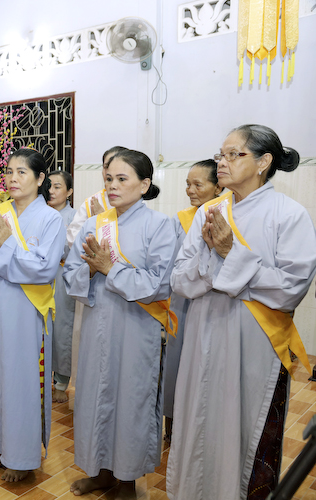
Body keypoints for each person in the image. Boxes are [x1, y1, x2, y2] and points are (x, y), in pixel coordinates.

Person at [166, 125, 316, 500]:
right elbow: (179, 280)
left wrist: (230, 255)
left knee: (246, 427)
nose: (222, 162)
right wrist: (211, 264)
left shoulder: (289, 214)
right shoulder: (209, 212)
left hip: (255, 344)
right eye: (221, 154)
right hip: (203, 333)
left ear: (264, 162)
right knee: (200, 420)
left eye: (234, 154)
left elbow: (291, 288)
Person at [63, 149, 176, 499]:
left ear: (144, 184)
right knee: (95, 397)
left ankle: (127, 480)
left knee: (130, 400)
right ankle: (100, 472)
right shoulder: (95, 225)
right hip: (97, 327)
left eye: (122, 179)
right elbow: (70, 275)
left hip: (137, 328)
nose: (112, 185)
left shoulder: (161, 225)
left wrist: (110, 269)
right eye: (109, 178)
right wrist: (90, 270)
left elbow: (160, 283)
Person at [0, 148, 65, 483]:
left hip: (27, 311)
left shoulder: (50, 219)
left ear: (40, 179)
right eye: (9, 171)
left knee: (22, 380)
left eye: (22, 172)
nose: (13, 178)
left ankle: (21, 458)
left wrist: (6, 246)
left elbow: (44, 269)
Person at [163, 159, 222, 445]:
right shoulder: (180, 220)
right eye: (188, 184)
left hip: (213, 304)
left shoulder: (226, 218)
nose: (190, 190)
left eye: (198, 184)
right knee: (175, 365)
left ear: (218, 187)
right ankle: (172, 427)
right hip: (180, 303)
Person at [46, 170, 76, 403]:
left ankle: (61, 382)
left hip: (63, 276)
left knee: (62, 329)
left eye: (57, 186)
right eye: (49, 186)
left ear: (69, 192)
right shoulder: (40, 213)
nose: (51, 191)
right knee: (42, 329)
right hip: (39, 279)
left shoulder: (75, 217)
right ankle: (42, 378)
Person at [65, 146, 127, 249]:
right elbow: (73, 239)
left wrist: (103, 220)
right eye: (107, 167)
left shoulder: (135, 201)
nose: (110, 172)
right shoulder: (92, 202)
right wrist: (95, 224)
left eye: (117, 167)